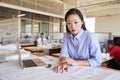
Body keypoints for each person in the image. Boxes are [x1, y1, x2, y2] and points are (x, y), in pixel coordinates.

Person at [52, 8, 102, 73]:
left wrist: (75, 62)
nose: (72, 26)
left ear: (82, 22)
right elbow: (63, 54)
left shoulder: (90, 37)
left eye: (76, 22)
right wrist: (63, 62)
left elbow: (97, 61)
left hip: (88, 72)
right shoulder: (66, 36)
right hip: (71, 71)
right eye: (69, 23)